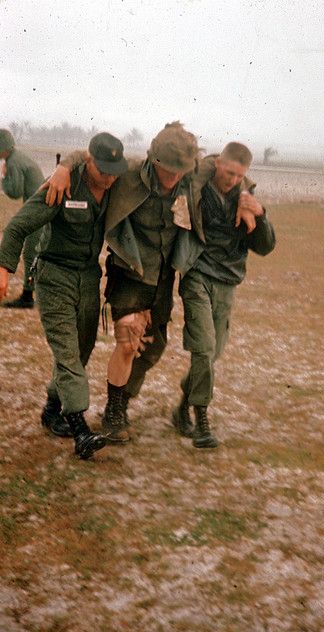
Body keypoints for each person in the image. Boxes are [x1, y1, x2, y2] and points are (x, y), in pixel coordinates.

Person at [43, 122, 203, 443]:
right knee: (129, 339)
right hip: (129, 273)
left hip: (163, 278)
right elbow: (90, 157)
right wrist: (64, 166)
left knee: (152, 348)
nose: (173, 179)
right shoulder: (128, 174)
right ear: (153, 159)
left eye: (179, 172)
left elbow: (222, 167)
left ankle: (120, 399)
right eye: (167, 171)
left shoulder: (190, 178)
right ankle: (114, 413)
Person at [0, 132, 128, 459]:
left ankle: (51, 410)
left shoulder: (115, 186)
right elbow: (17, 227)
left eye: (116, 170)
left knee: (81, 352)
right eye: (104, 171)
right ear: (89, 162)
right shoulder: (62, 185)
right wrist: (4, 268)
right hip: (54, 276)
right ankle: (81, 430)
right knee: (68, 353)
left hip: (88, 278)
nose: (110, 177)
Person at [171, 142, 276, 448]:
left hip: (227, 281)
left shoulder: (246, 197)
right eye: (228, 172)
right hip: (197, 275)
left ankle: (181, 408)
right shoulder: (195, 184)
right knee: (203, 349)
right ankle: (201, 418)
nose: (231, 180)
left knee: (213, 353)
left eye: (238, 175)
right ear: (218, 163)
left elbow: (266, 246)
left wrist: (262, 214)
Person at [0, 128, 44, 308]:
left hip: (38, 209)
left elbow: (14, 191)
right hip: (38, 206)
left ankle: (28, 297)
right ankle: (29, 293)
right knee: (32, 251)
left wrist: (3, 177)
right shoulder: (18, 157)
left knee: (31, 252)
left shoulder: (13, 162)